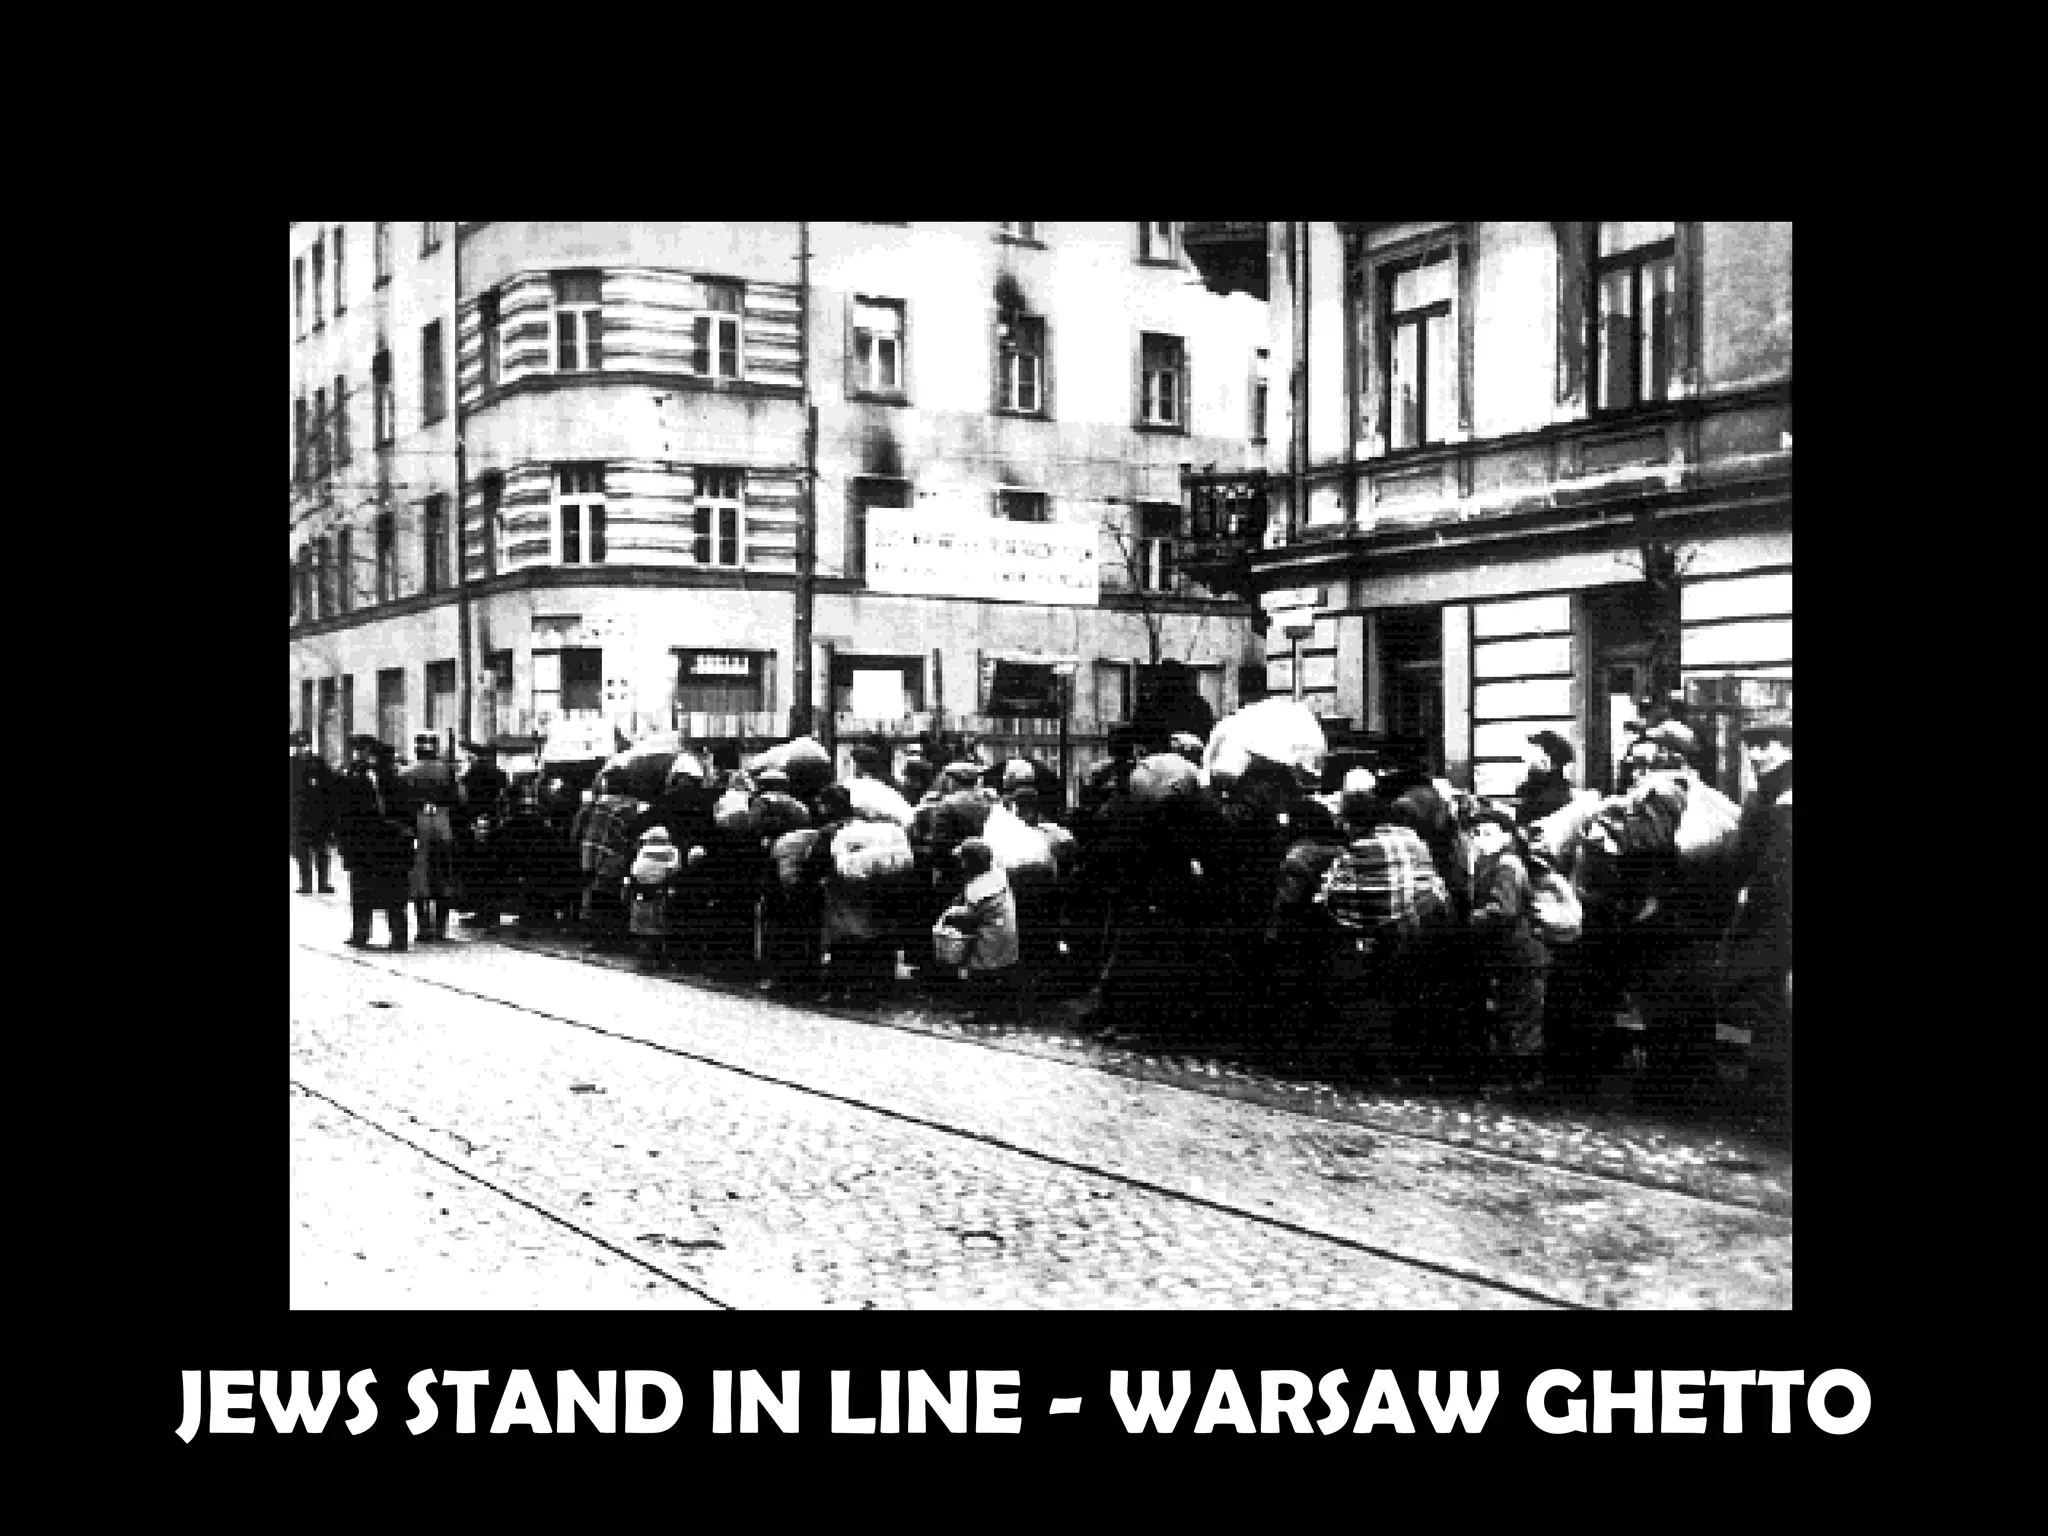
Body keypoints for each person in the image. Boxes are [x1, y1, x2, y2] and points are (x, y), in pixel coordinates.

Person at [1725, 714, 1793, 1116]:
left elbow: (1773, 869)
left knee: (1771, 1007)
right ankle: (1765, 1095)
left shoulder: (1783, 798)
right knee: (1765, 1008)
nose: (1756, 753)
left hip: (1779, 918)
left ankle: (1770, 1100)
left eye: (1767, 744)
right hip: (1765, 918)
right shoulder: (1763, 794)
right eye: (1752, 745)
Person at [1466, 808, 1549, 1085]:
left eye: (1488, 833)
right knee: (1516, 1017)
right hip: (1516, 955)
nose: (1480, 839)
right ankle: (1522, 1081)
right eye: (1476, 833)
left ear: (1506, 835)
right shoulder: (1493, 862)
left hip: (1520, 955)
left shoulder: (1506, 865)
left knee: (1521, 1020)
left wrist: (1467, 919)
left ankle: (1526, 1083)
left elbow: (1503, 910)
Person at [334, 735, 413, 950]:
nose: (362, 756)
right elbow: (342, 814)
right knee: (362, 890)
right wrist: (344, 845)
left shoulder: (393, 780)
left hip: (387, 844)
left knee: (393, 892)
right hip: (364, 844)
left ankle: (397, 936)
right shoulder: (351, 778)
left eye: (365, 751)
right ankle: (362, 933)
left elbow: (406, 814)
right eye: (359, 752)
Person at [937, 837, 1020, 1022]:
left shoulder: (979, 889)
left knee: (980, 970)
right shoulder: (995, 874)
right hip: (1005, 929)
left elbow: (969, 916)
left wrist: (950, 916)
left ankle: (980, 1011)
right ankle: (1003, 1009)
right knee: (1002, 969)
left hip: (990, 935)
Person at [398, 733, 466, 941]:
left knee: (420, 878)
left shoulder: (406, 772)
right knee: (444, 875)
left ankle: (423, 927)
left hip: (419, 825)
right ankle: (441, 928)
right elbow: (461, 799)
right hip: (443, 823)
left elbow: (399, 803)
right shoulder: (448, 771)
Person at [456, 743, 510, 928]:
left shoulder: (472, 774)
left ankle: (481, 911)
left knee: (476, 870)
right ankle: (491, 912)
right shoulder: (501, 774)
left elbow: (463, 799)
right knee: (492, 870)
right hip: (494, 825)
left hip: (473, 826)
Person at [625, 825, 681, 972]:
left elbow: (635, 871)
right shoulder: (672, 852)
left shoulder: (643, 852)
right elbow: (674, 869)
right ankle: (659, 961)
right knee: (657, 927)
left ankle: (644, 959)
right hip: (659, 891)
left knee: (641, 927)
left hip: (641, 891)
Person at [289, 730, 337, 893]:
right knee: (302, 852)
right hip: (299, 815)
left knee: (321, 851)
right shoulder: (291, 764)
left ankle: (323, 883)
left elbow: (330, 788)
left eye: (304, 745)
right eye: (299, 746)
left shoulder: (318, 763)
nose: (302, 749)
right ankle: (306, 883)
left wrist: (330, 814)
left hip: (319, 815)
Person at [1514, 731, 1576, 827]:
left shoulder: (1549, 797)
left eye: (1531, 759)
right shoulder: (1551, 789)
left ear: (1547, 761)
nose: (1527, 762)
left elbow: (1524, 827)